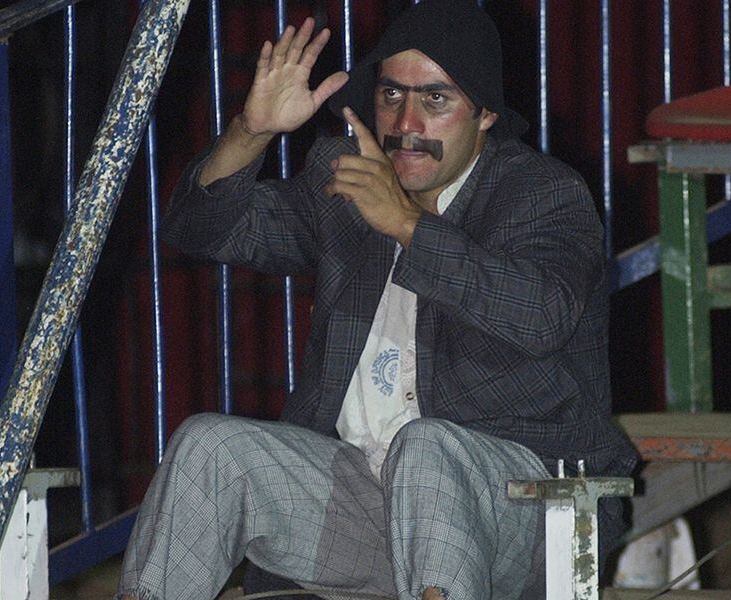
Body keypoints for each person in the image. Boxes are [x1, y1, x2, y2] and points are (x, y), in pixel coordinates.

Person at [117, 1, 636, 599]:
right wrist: (250, 133)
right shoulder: (348, 182)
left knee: (427, 449)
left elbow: (543, 315)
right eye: (391, 95)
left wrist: (409, 226)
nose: (406, 123)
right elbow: (200, 230)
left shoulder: (541, 194)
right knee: (209, 447)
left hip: (528, 506)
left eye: (436, 99)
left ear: (486, 114)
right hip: (367, 503)